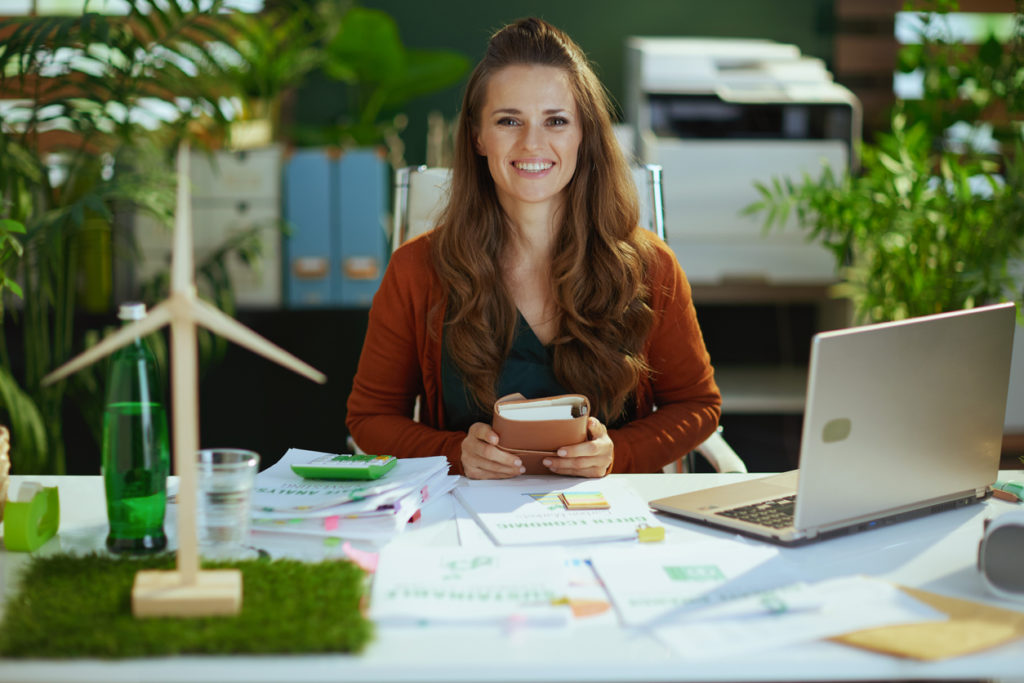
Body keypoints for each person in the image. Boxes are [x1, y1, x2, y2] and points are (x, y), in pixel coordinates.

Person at [346, 17, 721, 479]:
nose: (532, 143)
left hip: (608, 520)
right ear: (478, 136)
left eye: (556, 121)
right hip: (465, 523)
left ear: (584, 134)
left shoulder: (649, 266)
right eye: (509, 121)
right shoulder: (417, 269)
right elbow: (369, 419)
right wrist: (455, 453)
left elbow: (697, 405)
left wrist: (616, 453)